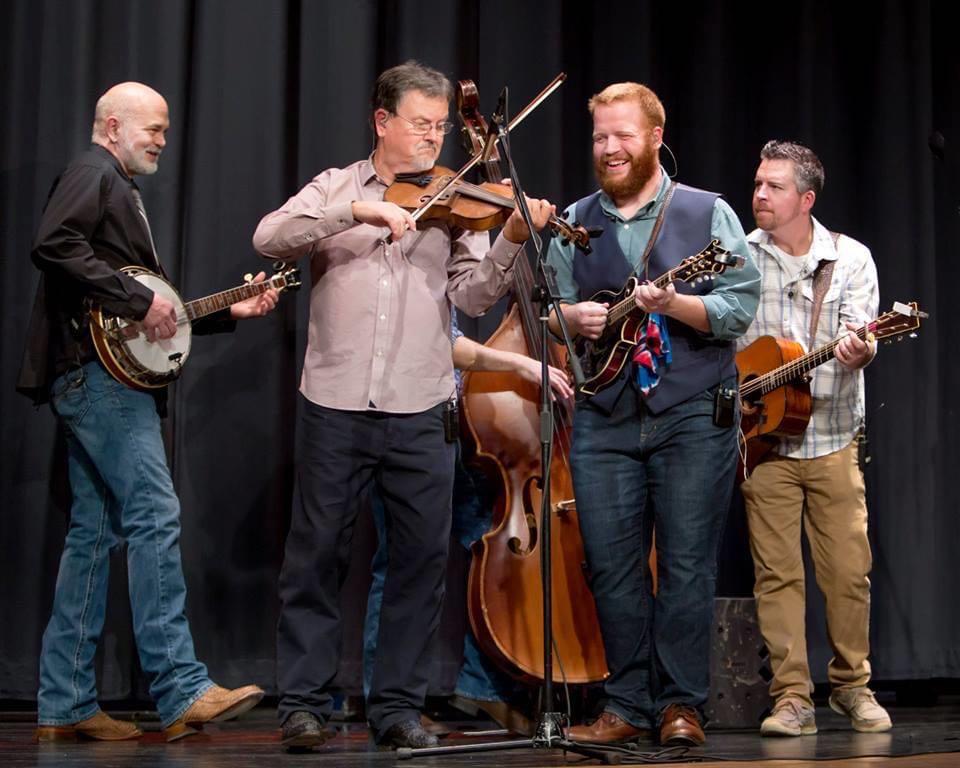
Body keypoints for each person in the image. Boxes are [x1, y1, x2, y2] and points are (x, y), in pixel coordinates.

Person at [251, 60, 554, 751]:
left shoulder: (452, 200)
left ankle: (396, 709)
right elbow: (270, 236)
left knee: (419, 561)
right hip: (333, 400)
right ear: (382, 121)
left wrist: (510, 239)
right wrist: (358, 211)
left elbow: (473, 298)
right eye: (421, 124)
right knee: (315, 556)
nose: (433, 139)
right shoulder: (337, 186)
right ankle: (304, 703)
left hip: (421, 407)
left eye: (441, 127)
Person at [17, 82, 272, 743]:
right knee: (154, 515)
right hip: (99, 383)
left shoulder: (112, 182)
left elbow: (148, 317)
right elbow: (53, 244)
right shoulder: (92, 170)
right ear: (111, 125)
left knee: (93, 537)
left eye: (164, 129)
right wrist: (133, 297)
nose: (162, 138)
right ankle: (182, 687)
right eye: (151, 127)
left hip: (97, 374)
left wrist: (225, 313)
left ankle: (65, 702)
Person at [545, 82, 760, 747]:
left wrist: (674, 306)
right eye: (600, 137)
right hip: (604, 412)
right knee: (610, 564)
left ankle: (680, 706)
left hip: (692, 409)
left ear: (655, 138)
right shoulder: (576, 219)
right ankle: (626, 704)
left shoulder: (706, 214)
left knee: (688, 562)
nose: (609, 148)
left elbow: (736, 307)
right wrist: (569, 319)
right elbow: (549, 308)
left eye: (623, 135)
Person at [739, 140, 891, 737]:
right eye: (757, 184)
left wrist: (861, 349)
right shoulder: (739, 256)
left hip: (831, 437)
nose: (759, 196)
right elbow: (727, 337)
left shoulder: (849, 259)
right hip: (765, 440)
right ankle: (792, 698)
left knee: (848, 572)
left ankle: (853, 686)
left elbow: (862, 335)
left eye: (773, 187)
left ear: (806, 199)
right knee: (776, 574)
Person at [361, 313, 573, 737]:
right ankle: (390, 703)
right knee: (403, 564)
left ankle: (485, 688)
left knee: (492, 556)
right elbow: (442, 340)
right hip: (408, 425)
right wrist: (521, 364)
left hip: (469, 430)